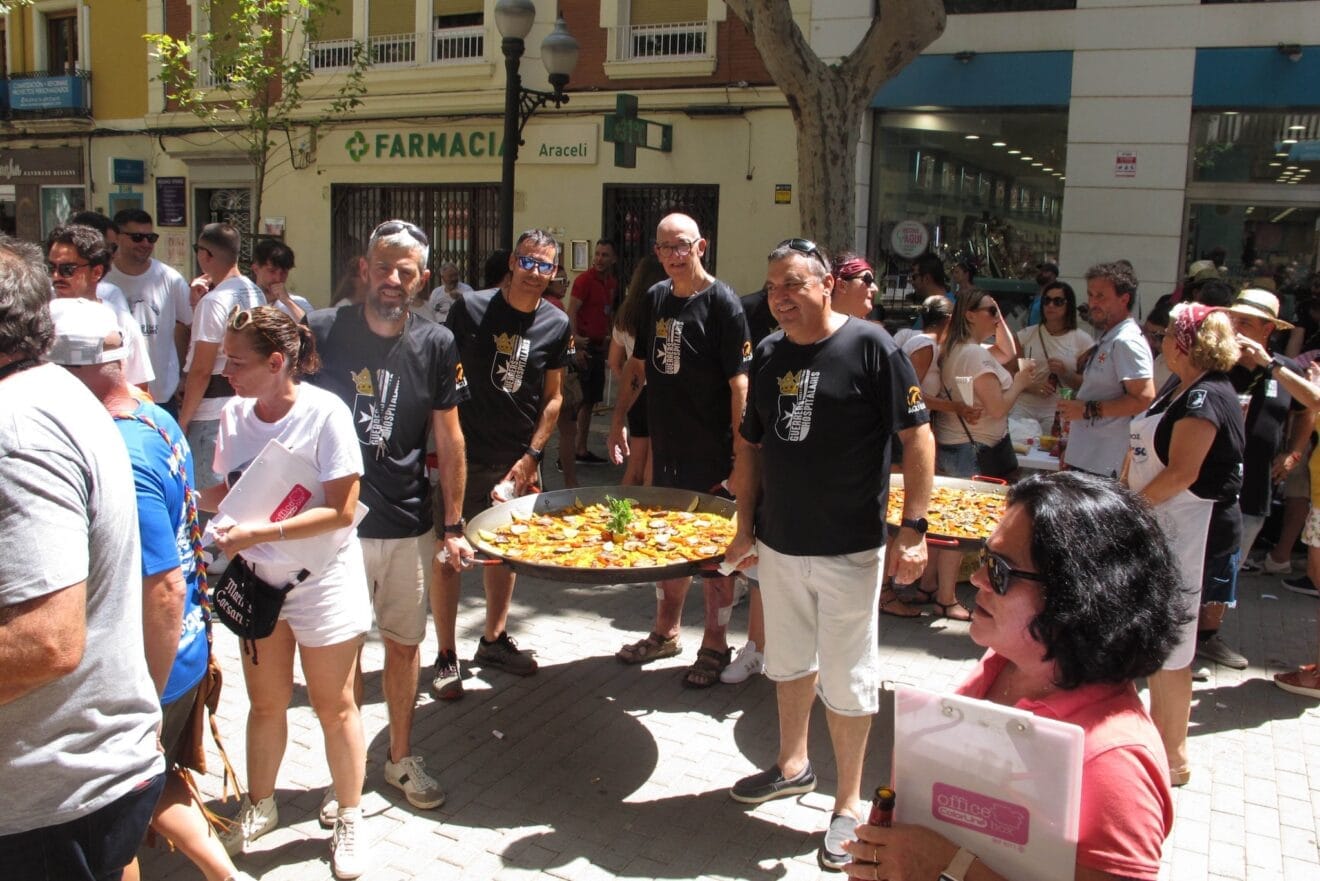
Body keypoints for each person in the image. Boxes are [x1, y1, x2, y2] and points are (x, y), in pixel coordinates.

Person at [844, 471, 1179, 881]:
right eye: (985, 559)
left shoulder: (1115, 758)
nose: (978, 580)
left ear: (1077, 594)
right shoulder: (1004, 663)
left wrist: (950, 867)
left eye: (1000, 570)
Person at [724, 239, 934, 870]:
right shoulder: (767, 353)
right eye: (772, 287)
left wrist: (915, 529)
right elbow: (751, 448)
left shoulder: (872, 346)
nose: (780, 298)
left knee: (848, 679)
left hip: (850, 548)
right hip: (781, 545)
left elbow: (917, 437)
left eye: (792, 284)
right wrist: (743, 528)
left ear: (824, 285)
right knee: (788, 664)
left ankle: (847, 805)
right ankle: (792, 765)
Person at [48, 298, 249, 881]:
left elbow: (160, 585)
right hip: (183, 649)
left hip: (147, 667)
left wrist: (141, 702)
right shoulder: (152, 415)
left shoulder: (115, 449)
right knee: (159, 785)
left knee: (111, 830)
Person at [0, 234, 166, 880]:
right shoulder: (60, 394)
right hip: (84, 777)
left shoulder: (18, 424)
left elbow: (46, 639)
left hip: (48, 800)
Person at [307, 219, 471, 814]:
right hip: (336, 527)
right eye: (384, 268)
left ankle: (400, 758)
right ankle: (342, 774)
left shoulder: (436, 343)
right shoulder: (323, 330)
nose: (393, 280)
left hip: (408, 524)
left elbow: (450, 441)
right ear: (364, 269)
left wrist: (452, 525)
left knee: (404, 647)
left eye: (406, 271)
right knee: (343, 654)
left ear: (422, 279)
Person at [203, 306, 372, 878]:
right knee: (266, 703)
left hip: (322, 582)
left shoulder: (326, 414)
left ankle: (349, 814)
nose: (227, 370)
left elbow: (342, 510)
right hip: (259, 583)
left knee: (334, 705)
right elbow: (228, 491)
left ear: (277, 363)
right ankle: (261, 803)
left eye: (238, 361)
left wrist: (261, 531)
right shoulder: (232, 414)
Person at [607, 213, 751, 688]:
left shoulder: (723, 303)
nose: (671, 255)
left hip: (711, 450)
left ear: (701, 246)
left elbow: (739, 384)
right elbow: (638, 366)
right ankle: (666, 632)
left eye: (681, 246)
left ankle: (715, 643)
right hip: (667, 447)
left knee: (714, 554)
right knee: (666, 542)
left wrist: (740, 451)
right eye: (663, 247)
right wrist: (619, 419)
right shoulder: (656, 298)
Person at [435, 229, 571, 696]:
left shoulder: (556, 322)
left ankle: (492, 639)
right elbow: (442, 379)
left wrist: (532, 456)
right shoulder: (470, 309)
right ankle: (445, 655)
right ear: (513, 262)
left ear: (555, 272)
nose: (535, 273)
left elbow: (554, 398)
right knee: (450, 555)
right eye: (528, 262)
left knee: (503, 554)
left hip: (516, 459)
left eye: (545, 266)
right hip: (464, 454)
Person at [1123, 303, 1243, 787]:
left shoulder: (1208, 397)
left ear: (1187, 343)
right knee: (1160, 642)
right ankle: (1158, 745)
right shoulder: (1181, 388)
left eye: (1170, 332)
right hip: (1163, 528)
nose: (1163, 339)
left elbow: (1183, 472)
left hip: (1189, 533)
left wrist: (1128, 511)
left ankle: (1172, 758)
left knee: (1173, 646)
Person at [1196, 290, 1307, 672]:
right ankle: (1181, 640)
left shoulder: (1284, 368)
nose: (1236, 327)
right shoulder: (1216, 363)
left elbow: (1311, 406)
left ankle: (1208, 637)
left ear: (1268, 329)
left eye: (1246, 321)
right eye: (1233, 319)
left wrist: (1293, 452)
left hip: (1255, 484)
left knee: (1229, 566)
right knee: (1199, 561)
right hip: (1209, 482)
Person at [926, 289, 1036, 621]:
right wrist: (1020, 381)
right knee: (957, 529)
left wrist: (997, 314)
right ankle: (946, 598)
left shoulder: (960, 349)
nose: (996, 317)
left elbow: (1007, 350)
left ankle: (930, 586)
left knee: (945, 523)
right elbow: (998, 407)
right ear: (970, 315)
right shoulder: (975, 354)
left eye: (997, 311)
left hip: (954, 443)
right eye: (990, 311)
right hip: (972, 449)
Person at [177, 223, 265, 489]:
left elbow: (202, 369)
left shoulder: (215, 301)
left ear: (206, 255)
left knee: (208, 503)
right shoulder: (255, 292)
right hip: (250, 407)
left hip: (212, 416)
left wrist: (183, 420)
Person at [1055, 262, 1156, 478]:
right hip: (1088, 458)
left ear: (1124, 298)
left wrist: (1086, 409)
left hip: (1104, 465)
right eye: (1090, 295)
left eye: (1101, 296)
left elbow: (1144, 398)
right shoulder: (1111, 337)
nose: (1092, 303)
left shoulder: (1126, 341)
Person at [46, 223, 155, 391]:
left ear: (96, 272)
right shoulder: (36, 317)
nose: (56, 276)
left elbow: (139, 387)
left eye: (67, 269)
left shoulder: (120, 321)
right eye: (52, 267)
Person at [105, 208, 193, 410]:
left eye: (150, 238)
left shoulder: (169, 279)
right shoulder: (104, 277)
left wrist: (185, 375)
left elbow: (190, 325)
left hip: (161, 395)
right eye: (137, 237)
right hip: (115, 394)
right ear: (118, 238)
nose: (145, 244)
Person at [609, 254, 666, 487]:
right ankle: (646, 521)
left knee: (634, 469)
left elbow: (613, 360)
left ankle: (618, 518)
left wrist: (628, 387)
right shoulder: (663, 310)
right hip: (660, 393)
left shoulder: (626, 313)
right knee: (653, 470)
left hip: (635, 395)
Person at [1011, 281, 1094, 434]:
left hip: (1057, 412)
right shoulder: (1025, 336)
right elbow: (1009, 373)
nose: (1051, 305)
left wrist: (1065, 373)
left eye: (1058, 301)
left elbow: (1088, 385)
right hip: (1023, 408)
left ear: (1068, 305)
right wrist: (1031, 386)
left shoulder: (1083, 341)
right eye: (1046, 300)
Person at [568, 238, 618, 464]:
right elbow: (571, 312)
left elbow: (607, 313)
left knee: (589, 402)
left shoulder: (611, 283)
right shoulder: (584, 281)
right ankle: (570, 451)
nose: (599, 259)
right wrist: (575, 345)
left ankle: (580, 449)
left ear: (613, 258)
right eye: (597, 254)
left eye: (604, 255)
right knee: (581, 401)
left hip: (599, 347)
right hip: (585, 347)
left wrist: (610, 337)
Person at [252, 239, 312, 320]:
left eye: (284, 272)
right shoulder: (244, 301)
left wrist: (288, 302)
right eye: (272, 271)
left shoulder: (299, 303)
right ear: (256, 269)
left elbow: (313, 329)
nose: (278, 278)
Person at [831, 252, 880, 321]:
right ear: (842, 285)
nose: (875, 289)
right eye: (867, 280)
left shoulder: (870, 331)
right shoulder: (813, 328)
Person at [427, 260, 473, 325]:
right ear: (442, 278)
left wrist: (461, 298)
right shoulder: (436, 292)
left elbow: (473, 309)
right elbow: (430, 312)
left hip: (457, 326)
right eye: (450, 276)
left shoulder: (466, 289)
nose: (454, 279)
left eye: (455, 275)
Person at [1025, 261, 1059, 327]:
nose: (1040, 273)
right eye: (1040, 270)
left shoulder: (1055, 297)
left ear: (1053, 275)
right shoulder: (1037, 296)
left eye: (1044, 271)